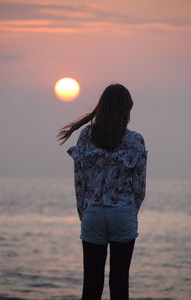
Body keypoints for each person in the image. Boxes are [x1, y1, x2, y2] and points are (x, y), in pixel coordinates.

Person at [57, 83, 148, 300]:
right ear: (125, 110)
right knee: (119, 283)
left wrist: (84, 213)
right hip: (123, 212)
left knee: (91, 285)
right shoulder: (135, 140)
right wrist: (130, 213)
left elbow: (80, 182)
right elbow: (139, 187)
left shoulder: (86, 136)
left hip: (93, 213)